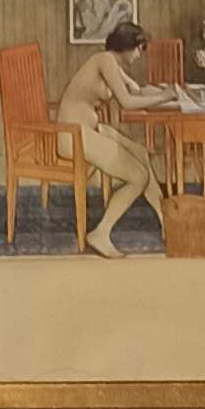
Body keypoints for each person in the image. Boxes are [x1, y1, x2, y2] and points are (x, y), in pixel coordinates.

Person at [59, 14, 167, 252]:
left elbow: (136, 91)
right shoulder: (105, 61)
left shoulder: (113, 64)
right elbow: (128, 102)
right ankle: (100, 233)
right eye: (139, 50)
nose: (140, 55)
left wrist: (167, 94)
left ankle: (164, 219)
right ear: (126, 47)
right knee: (139, 177)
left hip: (88, 130)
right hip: (73, 135)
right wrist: (165, 97)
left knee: (140, 152)